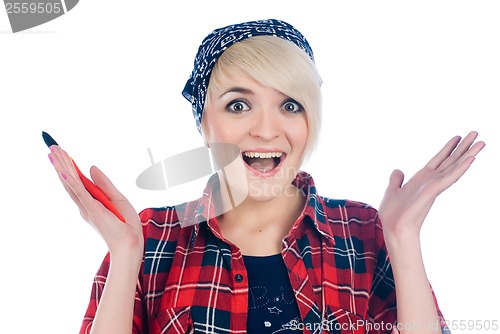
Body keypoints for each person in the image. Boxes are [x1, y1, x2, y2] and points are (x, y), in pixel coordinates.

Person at [47, 19, 485, 334]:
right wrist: (125, 255)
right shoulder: (148, 240)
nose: (266, 128)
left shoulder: (366, 234)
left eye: (290, 105)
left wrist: (402, 235)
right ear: (204, 123)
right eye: (239, 105)